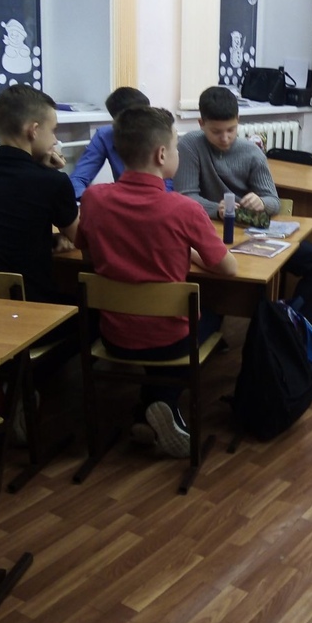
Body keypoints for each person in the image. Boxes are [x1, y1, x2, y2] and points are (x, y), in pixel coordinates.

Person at [77, 105, 237, 457]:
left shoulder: (93, 199)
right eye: (177, 147)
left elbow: (87, 255)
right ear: (162, 154)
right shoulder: (184, 209)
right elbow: (229, 269)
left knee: (155, 320)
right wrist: (190, 254)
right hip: (170, 342)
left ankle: (146, 412)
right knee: (214, 310)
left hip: (114, 336)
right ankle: (161, 403)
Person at [174, 86, 312, 328]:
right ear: (201, 124)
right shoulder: (189, 145)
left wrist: (261, 203)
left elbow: (273, 201)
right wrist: (217, 209)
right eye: (216, 132)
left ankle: (294, 328)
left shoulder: (252, 153)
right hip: (211, 233)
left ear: (238, 121)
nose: (225, 138)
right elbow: (185, 197)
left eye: (231, 130)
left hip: (251, 232)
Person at [0, 84, 79, 307]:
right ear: (33, 130)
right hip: (31, 307)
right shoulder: (52, 182)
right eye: (53, 130)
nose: (55, 140)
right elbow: (81, 238)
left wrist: (49, 239)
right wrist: (51, 173)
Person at [70, 86, 155, 198]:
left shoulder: (160, 135)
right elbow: (78, 178)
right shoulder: (106, 135)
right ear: (116, 119)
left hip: (157, 201)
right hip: (122, 201)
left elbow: (169, 185)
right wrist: (90, 201)